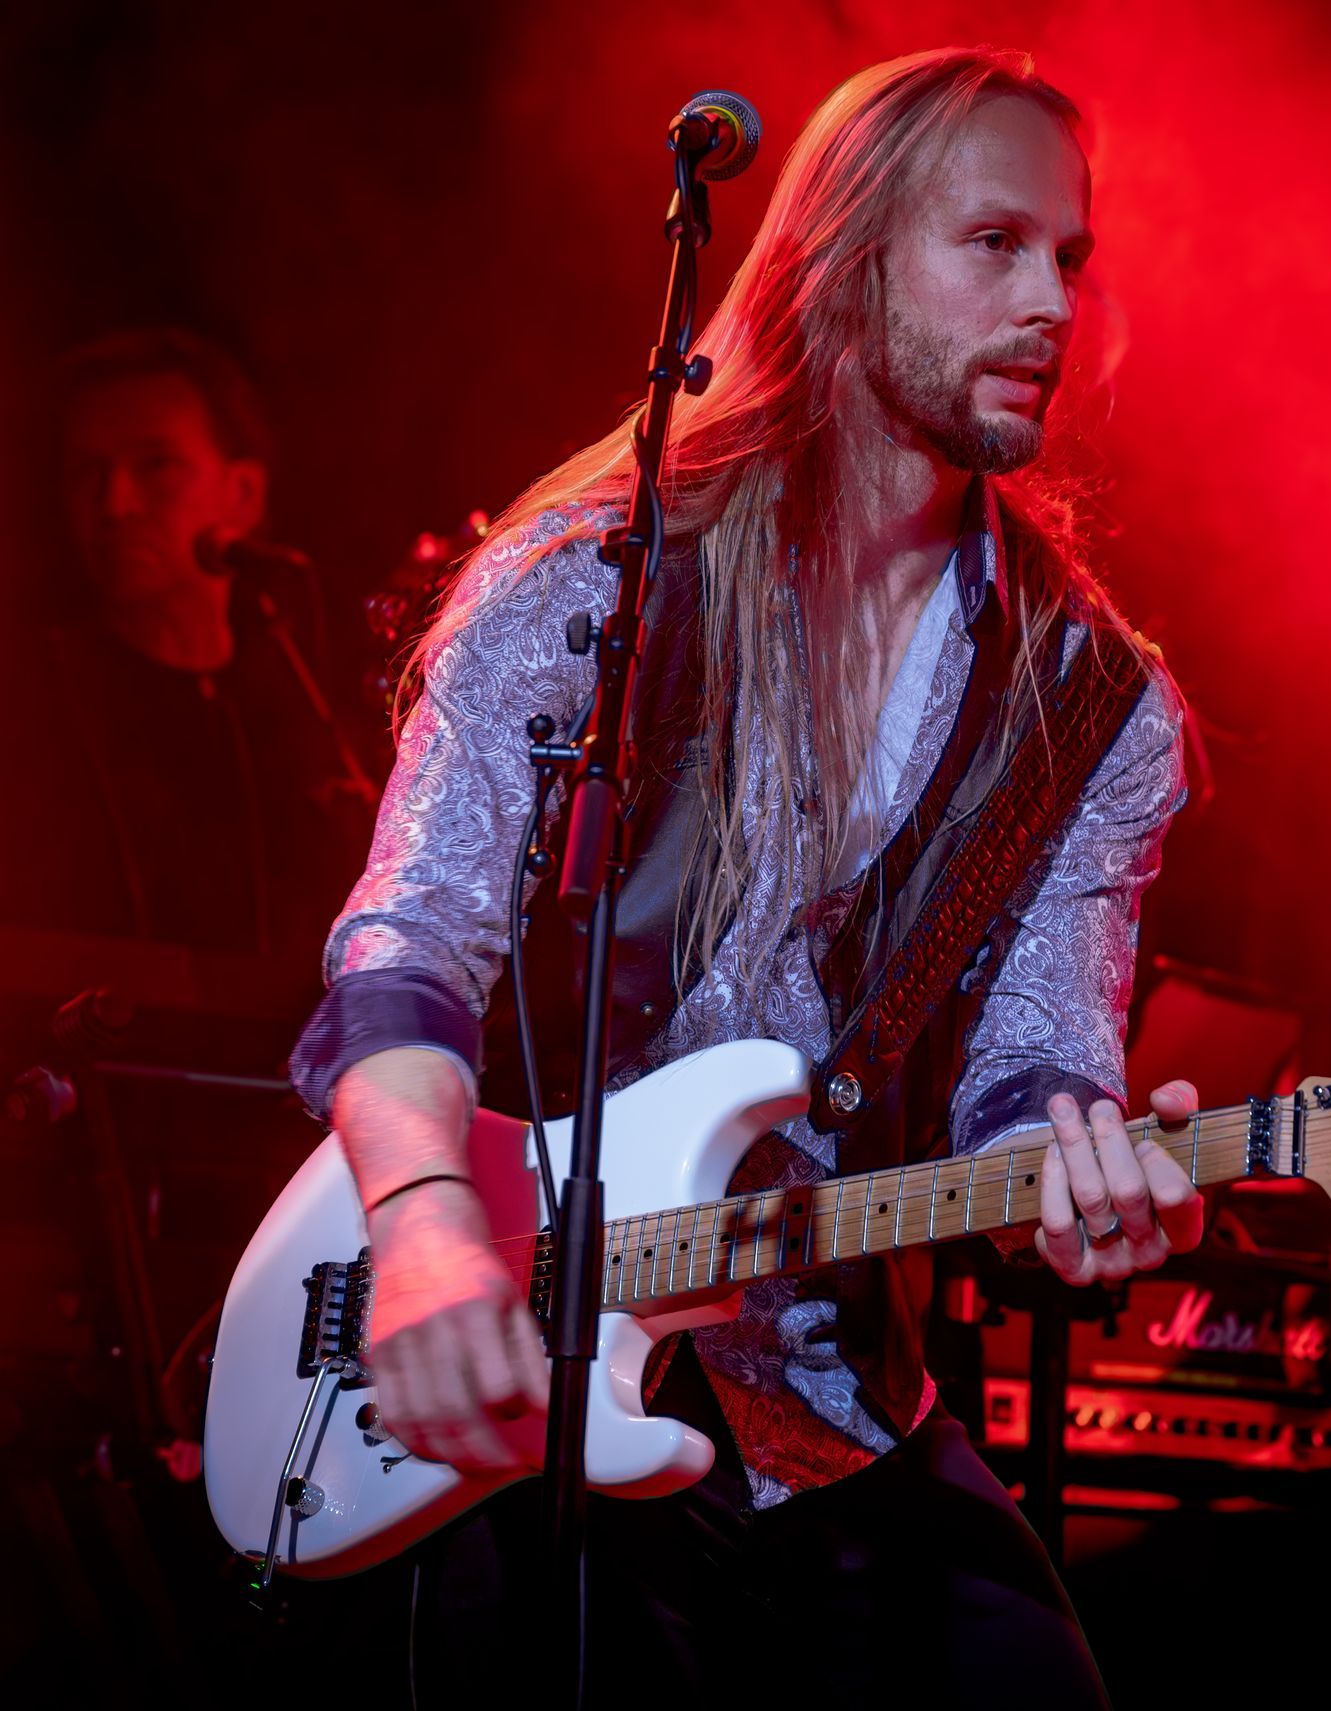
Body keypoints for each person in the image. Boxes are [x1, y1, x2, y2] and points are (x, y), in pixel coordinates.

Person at [285, 48, 1203, 1704]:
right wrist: (423, 1229)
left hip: (834, 1407)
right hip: (524, 1376)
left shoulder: (1090, 703)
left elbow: (1035, 1062)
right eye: (992, 246)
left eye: (1068, 256)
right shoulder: (592, 583)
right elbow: (407, 947)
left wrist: (1071, 1178)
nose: (1051, 301)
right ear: (844, 260)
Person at [7, 326, 367, 963]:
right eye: (89, 473)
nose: (115, 504)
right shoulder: (31, 696)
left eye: (156, 465)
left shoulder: (295, 705)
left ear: (243, 494)